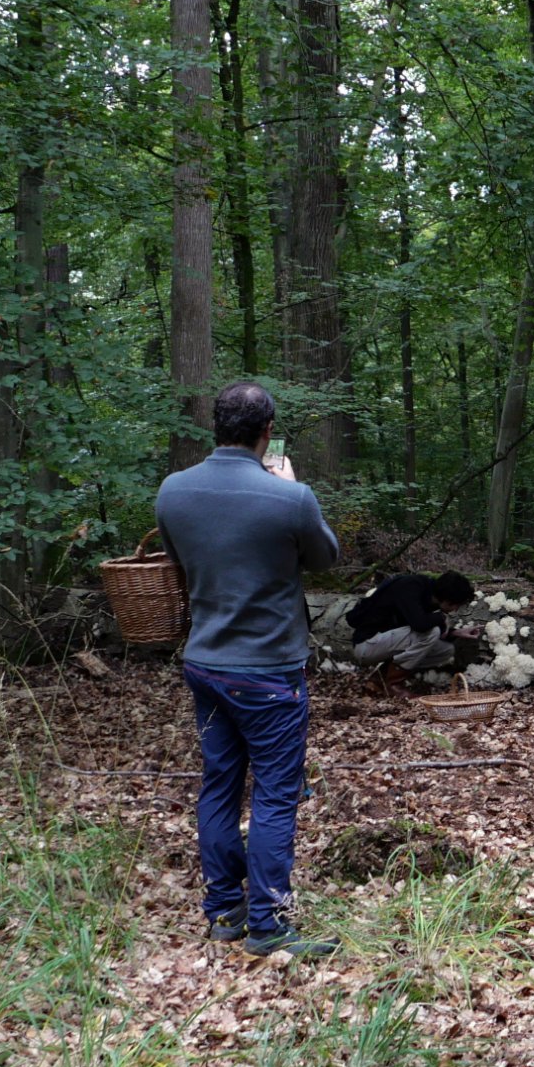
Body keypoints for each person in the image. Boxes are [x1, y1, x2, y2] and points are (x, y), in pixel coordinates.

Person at [156, 383, 341, 958]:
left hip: (206, 665)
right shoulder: (291, 497)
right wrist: (289, 487)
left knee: (219, 784)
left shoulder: (173, 490)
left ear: (215, 426)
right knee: (276, 794)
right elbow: (327, 559)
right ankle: (267, 922)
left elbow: (177, 561)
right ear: (268, 431)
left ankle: (224, 910)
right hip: (268, 674)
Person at [346, 571, 479, 688]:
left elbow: (417, 627)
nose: (455, 609)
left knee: (445, 650)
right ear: (448, 599)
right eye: (456, 605)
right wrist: (441, 617)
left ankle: (380, 678)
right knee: (432, 633)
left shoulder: (430, 595)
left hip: (385, 641)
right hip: (367, 644)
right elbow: (419, 625)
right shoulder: (410, 587)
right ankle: (393, 685)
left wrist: (455, 632)